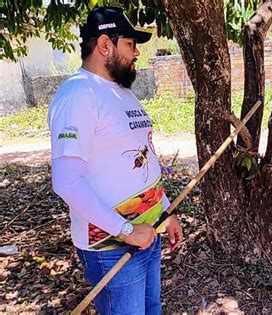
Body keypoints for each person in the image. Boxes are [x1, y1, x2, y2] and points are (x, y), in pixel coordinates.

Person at [47, 6, 183, 314]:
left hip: (146, 236)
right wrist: (126, 231)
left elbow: (144, 160)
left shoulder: (123, 93)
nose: (137, 53)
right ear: (105, 44)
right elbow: (67, 181)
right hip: (111, 247)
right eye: (130, 44)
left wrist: (165, 212)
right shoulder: (77, 95)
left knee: (152, 309)